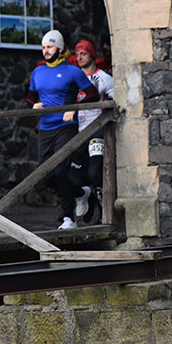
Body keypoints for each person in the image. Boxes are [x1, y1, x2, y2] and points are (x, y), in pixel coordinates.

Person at [26, 30, 100, 230]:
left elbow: (92, 94)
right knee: (44, 175)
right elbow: (31, 96)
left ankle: (69, 219)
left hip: (65, 127)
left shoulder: (73, 71)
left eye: (49, 47)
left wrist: (73, 108)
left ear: (60, 48)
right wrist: (34, 105)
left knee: (60, 170)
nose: (45, 51)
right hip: (45, 127)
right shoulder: (38, 71)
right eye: (43, 47)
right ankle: (81, 193)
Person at [72, 39, 113, 224]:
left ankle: (104, 214)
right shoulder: (74, 78)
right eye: (77, 54)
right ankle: (87, 197)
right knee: (73, 176)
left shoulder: (103, 78)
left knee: (95, 173)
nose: (79, 57)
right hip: (79, 131)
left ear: (92, 55)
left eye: (84, 53)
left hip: (98, 130)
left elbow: (116, 101)